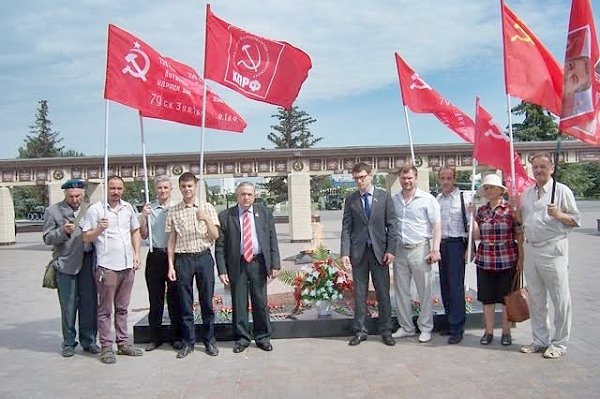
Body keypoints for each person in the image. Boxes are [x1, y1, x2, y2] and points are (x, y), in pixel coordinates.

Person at [517, 153, 580, 359]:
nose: (538, 170)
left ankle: (560, 343)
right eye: (535, 167)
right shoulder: (527, 193)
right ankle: (540, 340)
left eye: (543, 167)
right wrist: (513, 209)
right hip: (532, 249)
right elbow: (523, 221)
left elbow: (575, 220)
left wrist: (560, 215)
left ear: (552, 168)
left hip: (553, 250)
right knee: (536, 298)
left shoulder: (561, 191)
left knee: (560, 299)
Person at [215, 182, 281, 353]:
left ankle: (263, 337)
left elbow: (272, 239)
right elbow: (220, 246)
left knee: (260, 301)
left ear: (254, 196)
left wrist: (275, 264)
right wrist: (222, 270)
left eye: (249, 194)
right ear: (237, 196)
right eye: (242, 194)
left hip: (258, 263)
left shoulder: (264, 213)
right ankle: (242, 338)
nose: (246, 197)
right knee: (239, 302)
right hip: (237, 265)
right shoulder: (225, 216)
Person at [83, 175, 143, 364]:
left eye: (119, 188)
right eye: (112, 188)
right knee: (105, 310)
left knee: (123, 308)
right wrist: (99, 229)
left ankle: (123, 343)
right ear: (106, 189)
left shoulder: (128, 208)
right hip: (107, 267)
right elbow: (86, 237)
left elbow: (135, 230)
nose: (116, 192)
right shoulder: (96, 210)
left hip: (127, 266)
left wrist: (137, 253)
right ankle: (106, 347)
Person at [341, 162, 397, 347]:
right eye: (356, 178)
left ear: (370, 175)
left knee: (383, 291)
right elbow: (346, 228)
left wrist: (391, 250)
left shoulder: (384, 196)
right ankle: (360, 330)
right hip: (359, 253)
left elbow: (392, 225)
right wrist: (344, 253)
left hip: (380, 253)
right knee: (359, 293)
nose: (359, 181)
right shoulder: (351, 199)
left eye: (362, 177)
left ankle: (386, 330)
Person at [166, 172, 220, 359]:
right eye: (183, 186)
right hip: (183, 259)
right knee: (185, 302)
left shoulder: (207, 207)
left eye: (190, 186)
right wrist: (171, 266)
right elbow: (171, 240)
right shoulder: (174, 210)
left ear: (195, 186)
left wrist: (205, 218)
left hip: (203, 257)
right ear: (179, 188)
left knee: (206, 301)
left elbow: (215, 235)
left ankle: (209, 341)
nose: (187, 189)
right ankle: (188, 342)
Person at [43, 179, 99, 357]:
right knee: (68, 306)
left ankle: (89, 341)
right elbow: (47, 238)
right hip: (66, 265)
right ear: (65, 195)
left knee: (90, 305)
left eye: (78, 196)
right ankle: (68, 342)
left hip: (89, 262)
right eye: (71, 196)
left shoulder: (92, 209)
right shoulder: (53, 211)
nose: (75, 200)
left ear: (83, 194)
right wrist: (62, 232)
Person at [469, 174, 522, 347]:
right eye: (486, 188)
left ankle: (506, 332)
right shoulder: (482, 211)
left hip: (506, 258)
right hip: (485, 259)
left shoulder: (509, 209)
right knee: (487, 299)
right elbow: (476, 236)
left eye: (492, 187)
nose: (489, 190)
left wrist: (522, 258)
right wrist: (472, 217)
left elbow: (520, 233)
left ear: (500, 190)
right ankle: (489, 331)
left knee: (506, 299)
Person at [392, 165, 441, 344]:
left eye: (410, 178)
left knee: (424, 290)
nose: (406, 181)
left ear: (416, 178)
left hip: (420, 249)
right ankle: (406, 327)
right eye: (403, 178)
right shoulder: (394, 200)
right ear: (399, 179)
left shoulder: (427, 199)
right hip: (399, 250)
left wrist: (435, 249)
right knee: (401, 291)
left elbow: (436, 225)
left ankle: (426, 327)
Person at [139, 175, 182, 351]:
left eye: (166, 187)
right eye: (159, 188)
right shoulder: (150, 209)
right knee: (155, 299)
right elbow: (143, 234)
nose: (163, 191)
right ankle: (154, 337)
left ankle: (176, 337)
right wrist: (143, 217)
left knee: (175, 299)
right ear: (155, 190)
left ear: (171, 189)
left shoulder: (177, 208)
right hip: (155, 255)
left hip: (174, 256)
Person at [436, 167, 470, 344]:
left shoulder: (464, 198)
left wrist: (469, 249)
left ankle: (458, 327)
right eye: (443, 178)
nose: (446, 181)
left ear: (454, 179)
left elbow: (471, 226)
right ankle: (450, 321)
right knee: (445, 285)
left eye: (449, 178)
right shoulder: (438, 199)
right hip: (441, 245)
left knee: (456, 287)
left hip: (457, 244)